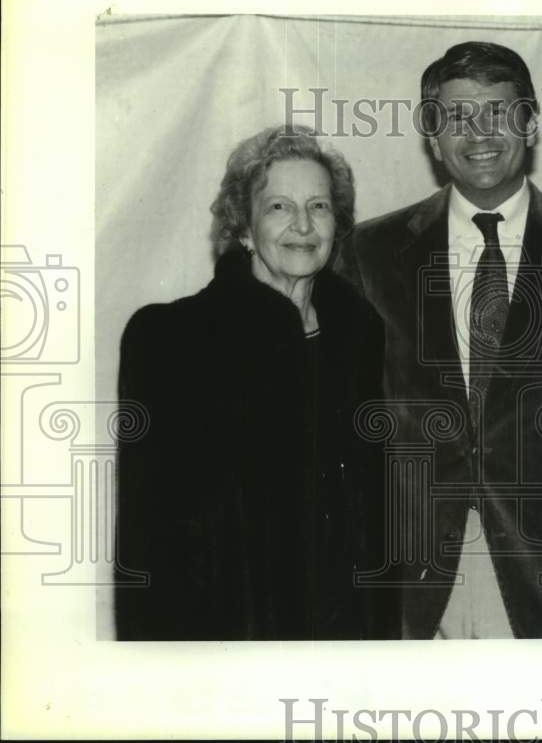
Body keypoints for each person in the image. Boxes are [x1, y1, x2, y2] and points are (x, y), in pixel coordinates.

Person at [336, 41, 542, 638]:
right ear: (431, 134)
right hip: (408, 577)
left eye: (499, 112)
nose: (480, 132)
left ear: (530, 123)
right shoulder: (370, 253)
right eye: (457, 116)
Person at [115, 126, 386, 640]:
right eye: (279, 207)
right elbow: (147, 542)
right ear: (243, 227)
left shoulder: (360, 334)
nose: (303, 225)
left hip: (347, 644)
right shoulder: (172, 339)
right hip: (226, 648)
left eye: (320, 207)